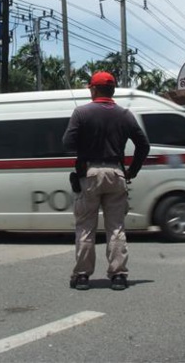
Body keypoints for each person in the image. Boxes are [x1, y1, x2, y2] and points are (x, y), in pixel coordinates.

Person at [62, 71, 150, 291]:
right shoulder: (125, 114)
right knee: (116, 228)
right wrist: (133, 171)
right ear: (112, 90)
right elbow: (143, 145)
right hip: (117, 174)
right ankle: (119, 275)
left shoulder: (81, 113)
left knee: (85, 227)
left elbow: (67, 143)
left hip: (89, 175)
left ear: (93, 89)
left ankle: (82, 276)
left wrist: (85, 140)